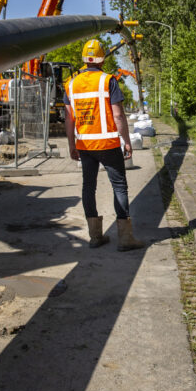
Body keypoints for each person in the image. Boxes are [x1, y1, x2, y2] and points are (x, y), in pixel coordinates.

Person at [64, 39, 144, 251]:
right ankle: (125, 239)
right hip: (108, 144)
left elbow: (69, 119)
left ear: (84, 59)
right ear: (102, 59)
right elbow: (118, 115)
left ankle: (95, 237)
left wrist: (71, 144)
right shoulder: (108, 81)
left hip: (85, 146)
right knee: (119, 186)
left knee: (88, 187)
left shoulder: (71, 84)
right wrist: (126, 140)